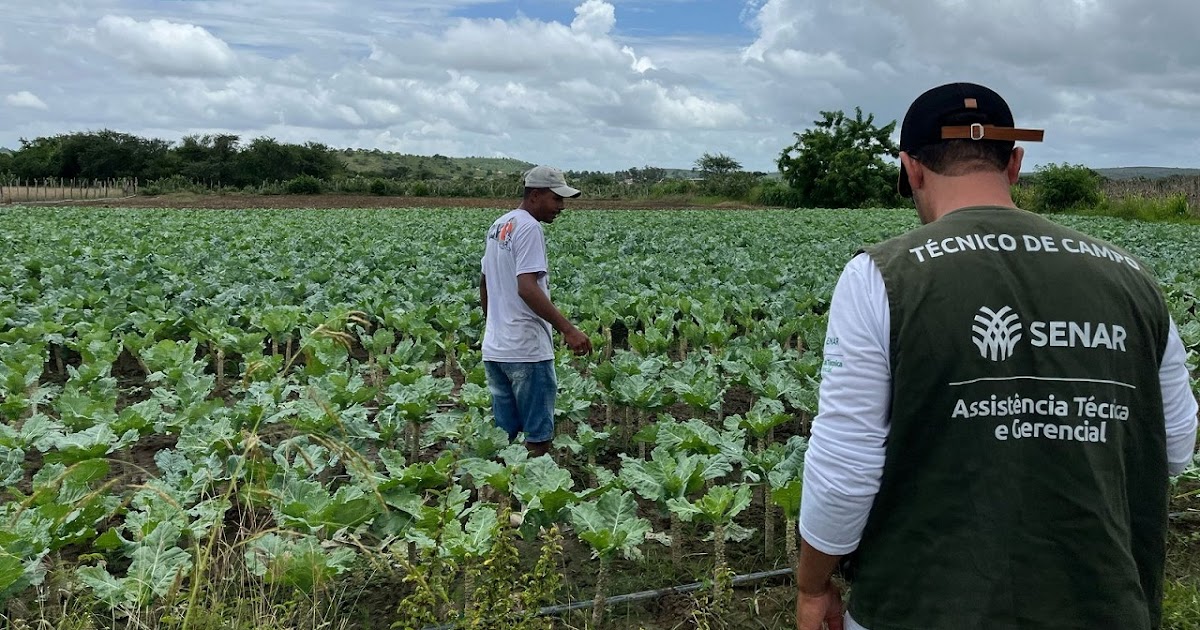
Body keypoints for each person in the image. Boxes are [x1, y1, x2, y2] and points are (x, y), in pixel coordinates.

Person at [795, 82, 1199, 630]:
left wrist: (812, 584)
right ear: (1014, 162)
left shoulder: (879, 277)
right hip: (1101, 605)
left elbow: (845, 470)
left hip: (923, 606)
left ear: (911, 168)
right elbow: (1173, 446)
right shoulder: (1133, 279)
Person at [480, 165, 592, 458]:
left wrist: (493, 322)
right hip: (526, 351)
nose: (561, 207)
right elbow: (527, 288)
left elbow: (484, 280)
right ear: (535, 195)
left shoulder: (498, 225)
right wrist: (568, 329)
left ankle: (506, 500)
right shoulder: (529, 227)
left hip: (496, 349)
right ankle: (530, 498)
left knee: (505, 437)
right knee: (538, 438)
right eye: (556, 199)